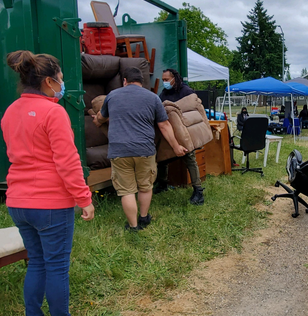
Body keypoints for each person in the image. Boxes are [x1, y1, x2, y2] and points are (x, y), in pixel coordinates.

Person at [1, 50, 95, 316]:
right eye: (61, 78)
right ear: (48, 82)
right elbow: (67, 161)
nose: (62, 84)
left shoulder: (10, 111)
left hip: (18, 201)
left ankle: (33, 312)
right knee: (56, 267)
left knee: (37, 263)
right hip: (50, 204)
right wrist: (84, 198)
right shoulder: (53, 113)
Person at [93, 67, 186, 230]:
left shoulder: (112, 96)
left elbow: (101, 117)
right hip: (145, 150)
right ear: (142, 82)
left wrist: (97, 121)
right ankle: (144, 218)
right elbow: (164, 125)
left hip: (119, 151)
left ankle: (133, 226)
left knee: (127, 191)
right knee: (145, 187)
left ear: (124, 81)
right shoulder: (153, 98)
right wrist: (176, 146)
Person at [155, 68, 205, 205]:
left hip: (185, 132)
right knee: (162, 158)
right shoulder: (164, 93)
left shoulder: (186, 92)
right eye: (163, 80)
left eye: (166, 79)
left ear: (174, 79)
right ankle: (162, 184)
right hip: (169, 132)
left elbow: (194, 109)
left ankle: (198, 191)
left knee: (190, 158)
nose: (164, 82)